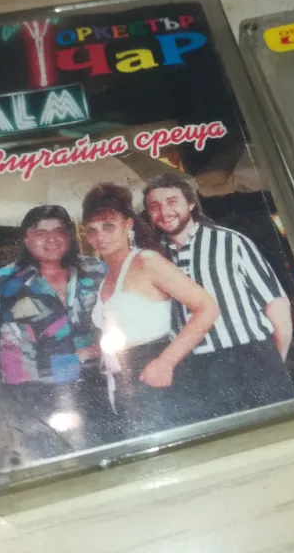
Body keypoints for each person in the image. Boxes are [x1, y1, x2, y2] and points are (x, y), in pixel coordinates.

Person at [142, 173, 294, 421]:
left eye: (172, 201)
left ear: (190, 203)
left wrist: (274, 362)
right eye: (155, 206)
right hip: (195, 370)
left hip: (251, 358)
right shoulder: (155, 258)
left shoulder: (230, 241)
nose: (164, 211)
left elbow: (277, 304)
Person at [0, 205, 116, 469]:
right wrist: (0, 407)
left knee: (108, 462)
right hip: (35, 401)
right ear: (26, 239)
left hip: (99, 388)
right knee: (53, 470)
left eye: (59, 231)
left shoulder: (97, 271)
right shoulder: (0, 285)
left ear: (69, 235)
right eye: (40, 232)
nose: (51, 239)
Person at [81, 182, 219, 436]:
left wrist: (166, 361)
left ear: (128, 225)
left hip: (157, 376)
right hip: (120, 382)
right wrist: (93, 350)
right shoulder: (106, 275)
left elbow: (207, 307)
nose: (99, 236)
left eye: (109, 226)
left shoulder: (147, 262)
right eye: (92, 230)